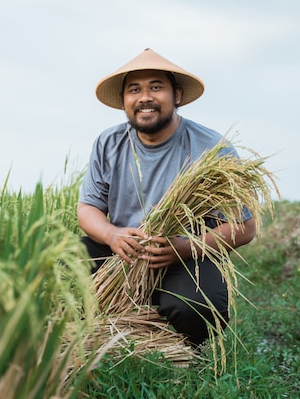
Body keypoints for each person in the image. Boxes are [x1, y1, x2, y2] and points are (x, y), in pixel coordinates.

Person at [77, 48, 256, 346]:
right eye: (134, 89)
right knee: (61, 265)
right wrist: (112, 235)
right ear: (124, 101)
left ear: (178, 96)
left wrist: (183, 248)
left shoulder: (211, 148)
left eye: (156, 87)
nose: (144, 97)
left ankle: (189, 350)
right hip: (123, 251)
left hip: (186, 255)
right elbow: (88, 208)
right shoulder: (108, 142)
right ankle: (110, 331)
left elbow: (245, 227)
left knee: (197, 306)